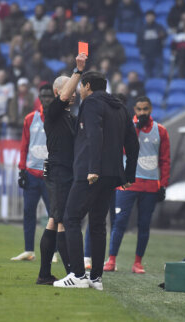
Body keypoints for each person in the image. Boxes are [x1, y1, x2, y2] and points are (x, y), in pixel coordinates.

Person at [53, 71, 139, 290]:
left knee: (71, 218)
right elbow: (133, 141)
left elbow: (93, 134)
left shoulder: (90, 103)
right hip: (112, 175)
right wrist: (129, 175)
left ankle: (78, 275)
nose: (80, 91)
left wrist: (92, 168)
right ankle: (96, 278)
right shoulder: (120, 106)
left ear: (87, 85)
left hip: (90, 173)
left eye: (81, 87)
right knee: (98, 224)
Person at [103, 96, 170, 274]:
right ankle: (111, 260)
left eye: (145, 109)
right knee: (119, 223)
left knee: (144, 224)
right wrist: (136, 131)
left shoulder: (161, 130)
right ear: (134, 110)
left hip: (150, 186)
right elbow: (122, 150)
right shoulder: (127, 127)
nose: (142, 113)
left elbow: (164, 159)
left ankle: (137, 263)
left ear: (150, 110)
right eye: (139, 109)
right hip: (128, 184)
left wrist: (163, 185)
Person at [36, 54, 87, 285]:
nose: (74, 93)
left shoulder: (69, 116)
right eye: (70, 90)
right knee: (59, 220)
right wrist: (78, 71)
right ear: (59, 92)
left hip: (67, 172)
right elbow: (67, 94)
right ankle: (67, 273)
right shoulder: (53, 111)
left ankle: (51, 273)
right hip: (58, 172)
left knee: (56, 220)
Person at [13, 85, 50, 261]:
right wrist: (21, 170)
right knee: (29, 212)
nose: (46, 99)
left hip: (50, 174)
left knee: (55, 214)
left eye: (49, 96)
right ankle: (29, 250)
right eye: (43, 96)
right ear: (39, 98)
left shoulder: (60, 118)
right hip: (31, 173)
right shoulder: (30, 118)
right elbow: (24, 146)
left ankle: (55, 251)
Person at [137, 10, 166, 79]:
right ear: (145, 17)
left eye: (151, 16)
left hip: (157, 55)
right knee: (147, 75)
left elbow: (165, 36)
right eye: (148, 16)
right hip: (146, 56)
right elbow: (139, 42)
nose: (149, 18)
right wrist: (142, 53)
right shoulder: (142, 29)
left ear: (154, 17)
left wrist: (162, 35)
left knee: (158, 75)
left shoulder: (159, 27)